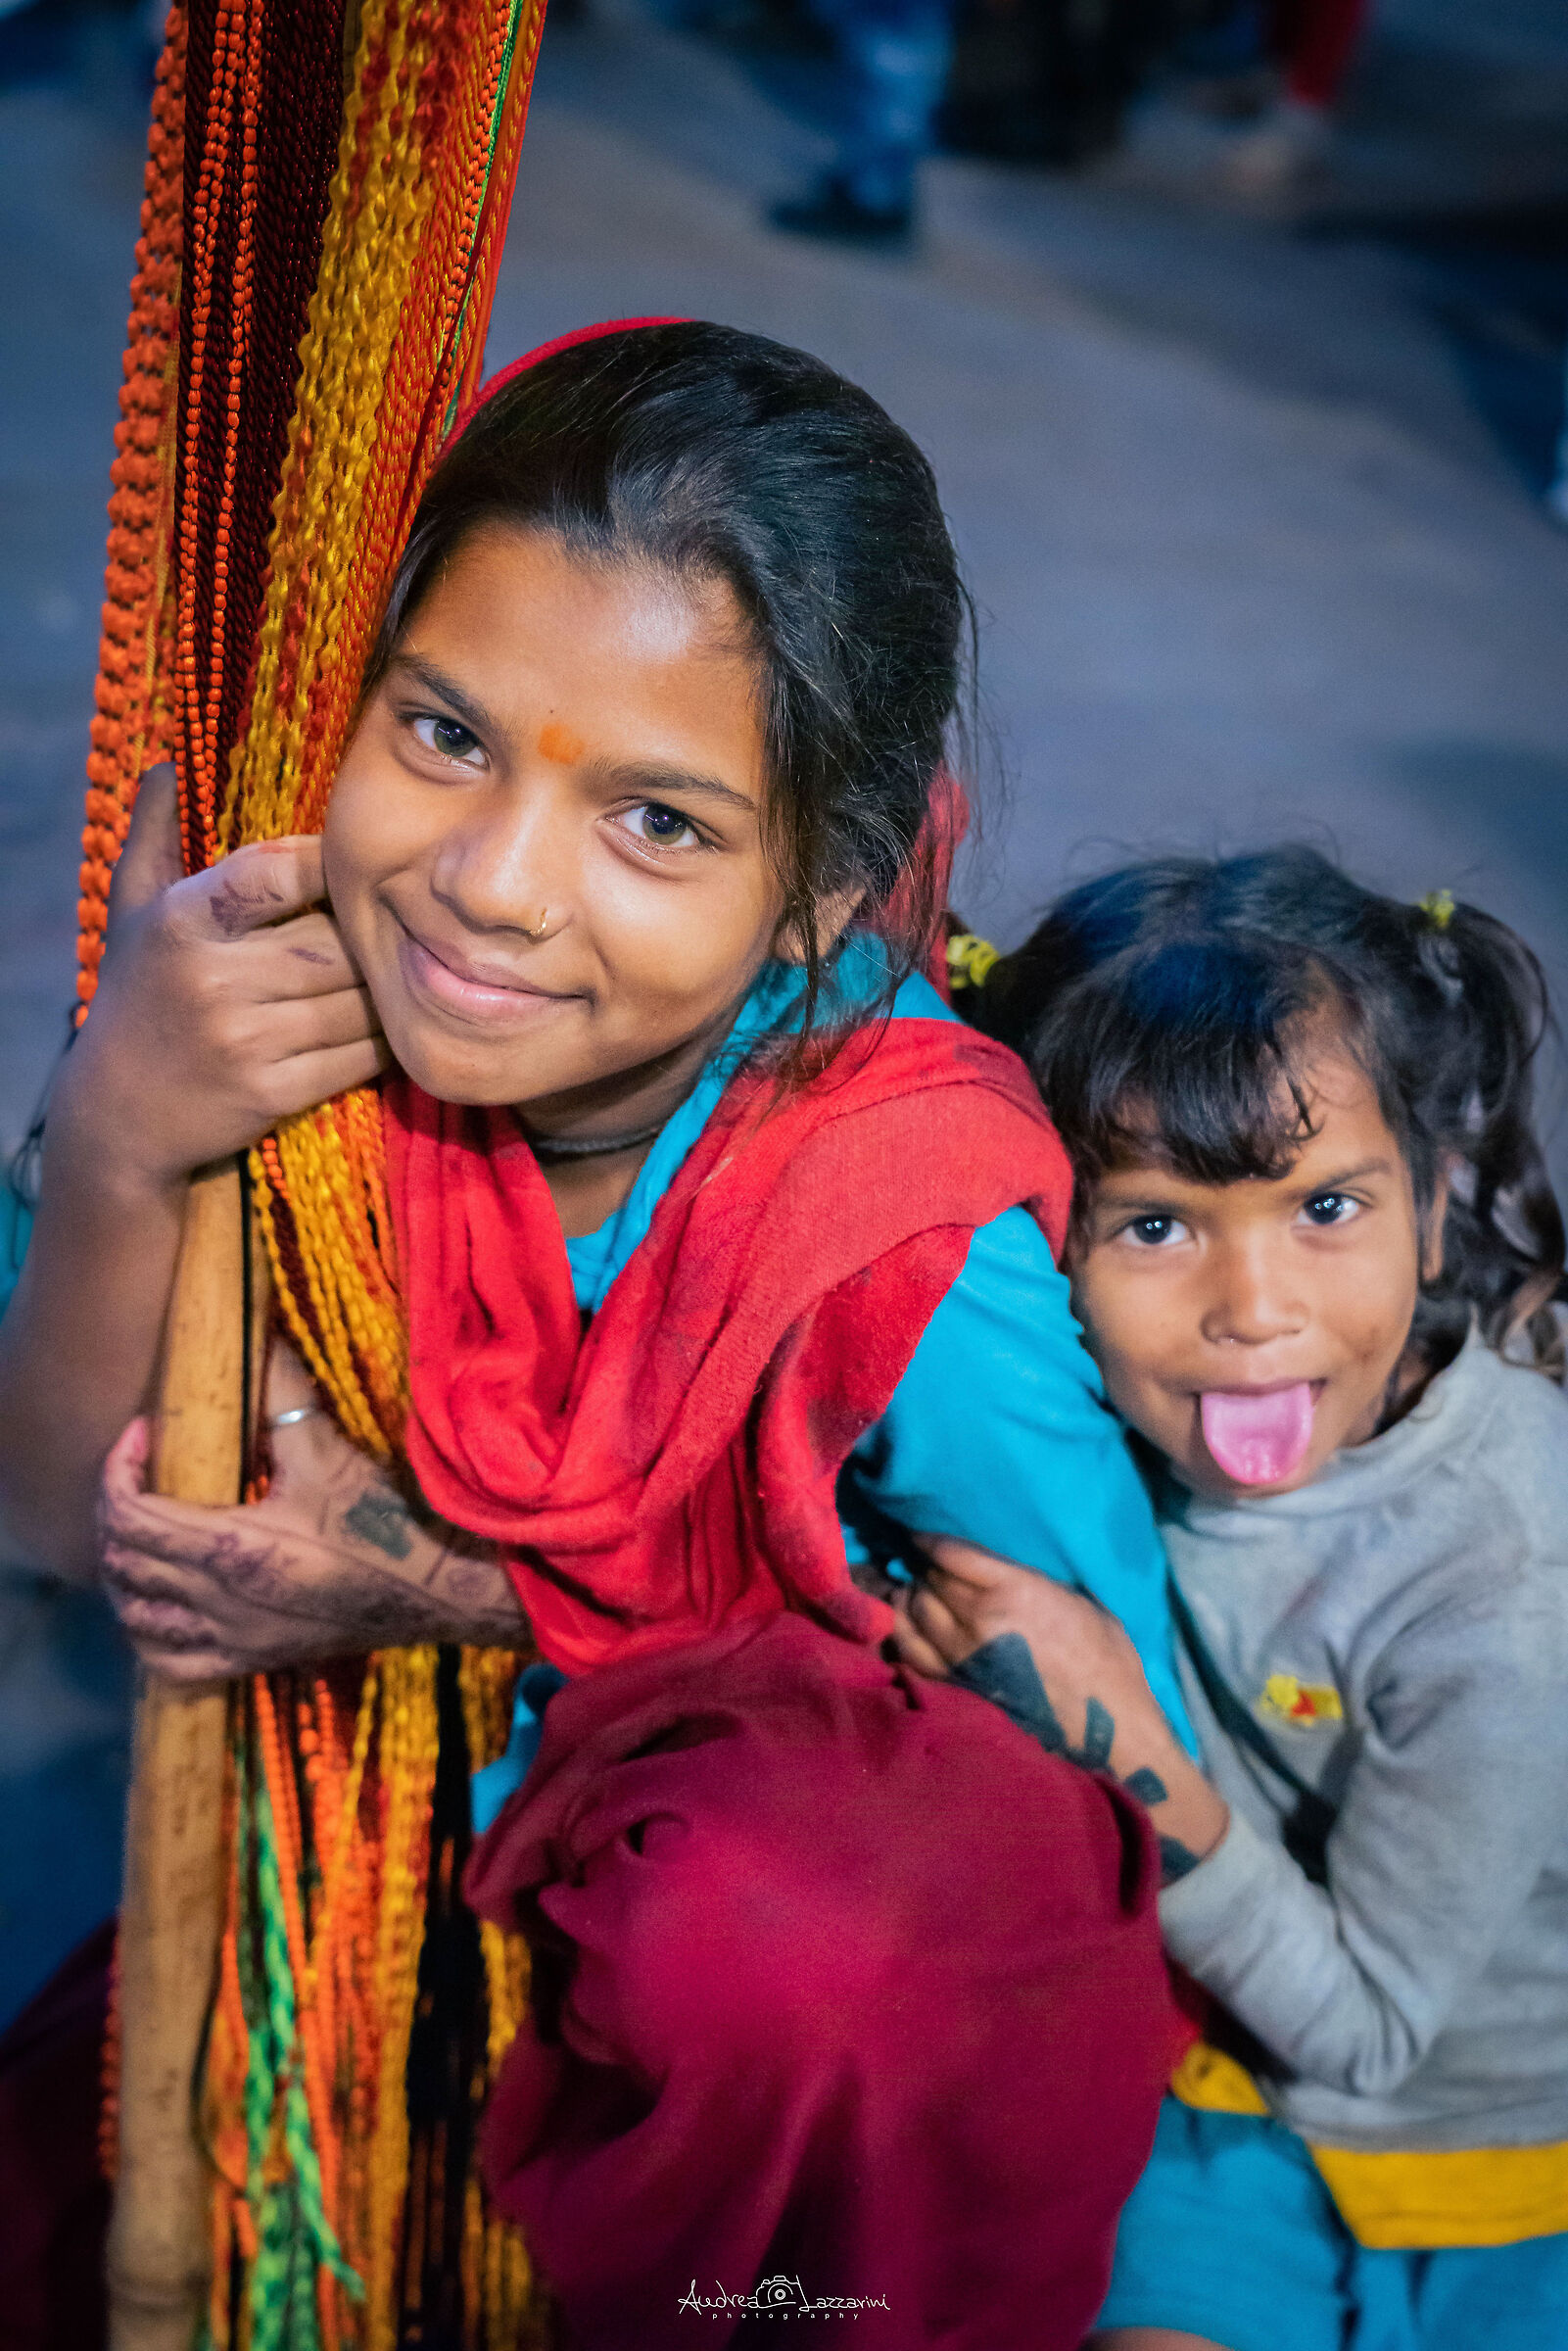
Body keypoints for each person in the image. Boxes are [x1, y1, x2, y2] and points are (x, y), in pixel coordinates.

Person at [0, 321, 1188, 2347]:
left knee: (786, 1953)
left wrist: (470, 1595)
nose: (494, 886)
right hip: (349, 1916)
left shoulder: (893, 1215)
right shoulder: (270, 1009)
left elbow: (1089, 1759)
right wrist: (124, 1120)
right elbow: (47, 1522)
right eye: (443, 733)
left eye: (660, 823)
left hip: (754, 2123)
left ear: (821, 892)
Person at [898, 846, 1568, 2351]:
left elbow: (1368, 2033)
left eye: (1326, 1206)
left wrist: (1127, 1747)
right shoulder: (1070, 1410)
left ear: (1433, 1206)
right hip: (1222, 2105)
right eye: (1154, 1226)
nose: (1255, 1313)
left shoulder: (1507, 1576)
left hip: (1500, 2165)